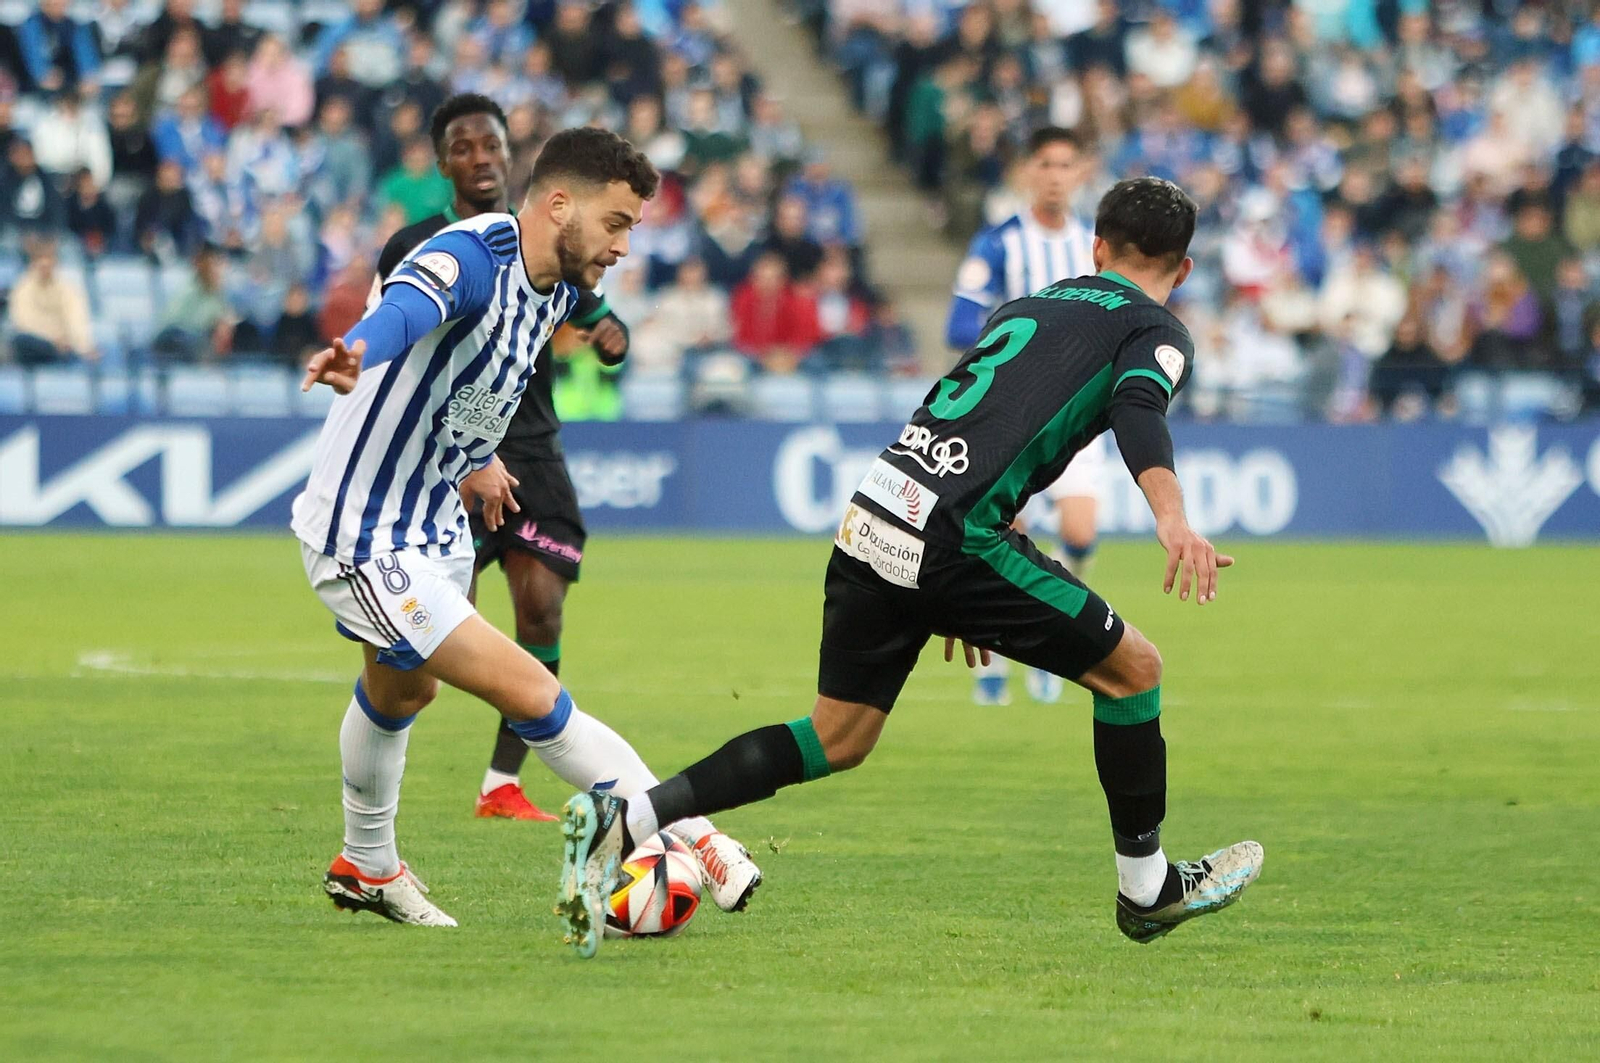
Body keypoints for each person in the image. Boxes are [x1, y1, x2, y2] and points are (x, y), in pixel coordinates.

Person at [558, 177, 1263, 957]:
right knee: (1135, 669)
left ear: (1097, 247)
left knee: (838, 735)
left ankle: (629, 818)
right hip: (954, 538)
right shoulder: (1153, 327)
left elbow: (972, 409)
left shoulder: (1035, 302)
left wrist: (963, 591)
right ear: (1186, 269)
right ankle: (1148, 889)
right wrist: (1172, 517)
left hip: (878, 507)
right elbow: (1138, 409)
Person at [293, 126, 759, 937]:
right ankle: (699, 835)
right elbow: (408, 312)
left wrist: (476, 458)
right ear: (557, 205)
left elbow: (474, 381)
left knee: (404, 689)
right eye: (615, 224)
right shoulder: (470, 255)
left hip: (434, 518)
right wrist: (356, 352)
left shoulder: (555, 292)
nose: (621, 246)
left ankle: (365, 865)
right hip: (363, 532)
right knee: (533, 693)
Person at [367, 95, 632, 830]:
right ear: (442, 161)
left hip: (532, 451)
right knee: (427, 649)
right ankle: (380, 780)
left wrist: (610, 333)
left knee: (542, 607)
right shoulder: (417, 247)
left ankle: (501, 785)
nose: (482, 158)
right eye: (465, 147)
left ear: (511, 155)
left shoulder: (547, 241)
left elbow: (588, 309)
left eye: (492, 145)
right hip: (443, 458)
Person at [946, 126, 1105, 707]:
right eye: (1046, 164)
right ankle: (997, 660)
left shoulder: (1096, 244)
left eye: (1067, 165)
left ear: (1080, 173)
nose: (1056, 176)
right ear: (1028, 172)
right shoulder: (999, 243)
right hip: (1011, 419)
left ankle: (1056, 641)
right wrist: (1025, 341)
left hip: (1080, 417)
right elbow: (958, 324)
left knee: (1081, 532)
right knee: (1007, 540)